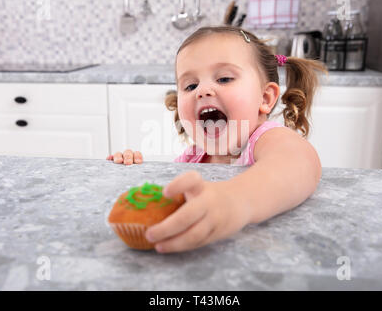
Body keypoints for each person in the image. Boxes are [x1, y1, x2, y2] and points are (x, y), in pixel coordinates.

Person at [106, 26, 326, 253]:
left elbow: (299, 163)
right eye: (190, 85)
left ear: (265, 97)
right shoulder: (192, 158)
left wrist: (234, 200)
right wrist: (135, 170)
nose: (202, 90)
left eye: (223, 78)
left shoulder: (266, 139)